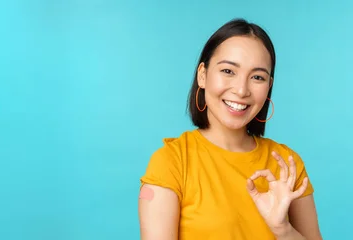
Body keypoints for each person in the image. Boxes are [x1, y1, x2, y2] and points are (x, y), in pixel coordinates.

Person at [138, 18, 322, 240]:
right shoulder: (172, 162)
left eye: (257, 77)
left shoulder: (287, 164)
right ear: (203, 75)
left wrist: (282, 229)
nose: (242, 90)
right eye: (228, 71)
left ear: (268, 86)